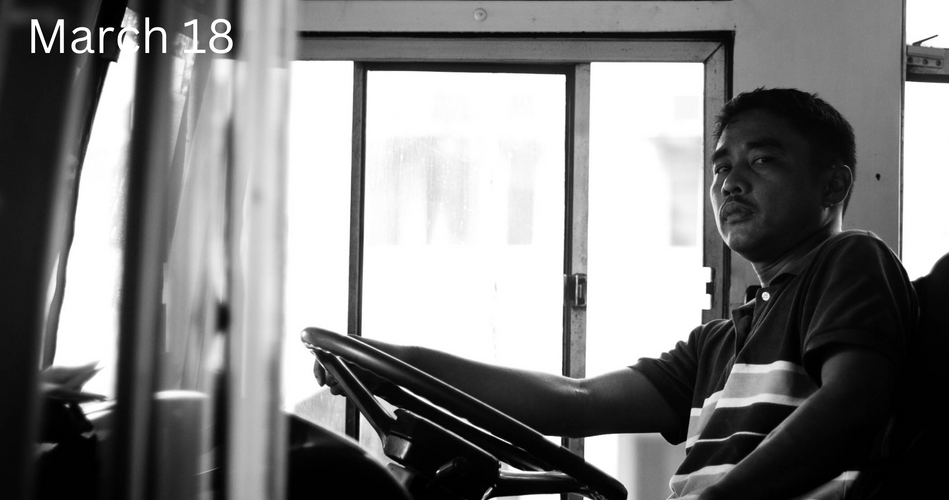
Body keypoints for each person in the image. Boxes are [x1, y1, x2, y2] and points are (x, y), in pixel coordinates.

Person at [315, 88, 918, 500]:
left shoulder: (849, 259)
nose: (731, 182)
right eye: (719, 167)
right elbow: (576, 401)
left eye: (761, 160)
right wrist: (399, 363)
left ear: (833, 185)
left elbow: (854, 402)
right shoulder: (719, 343)